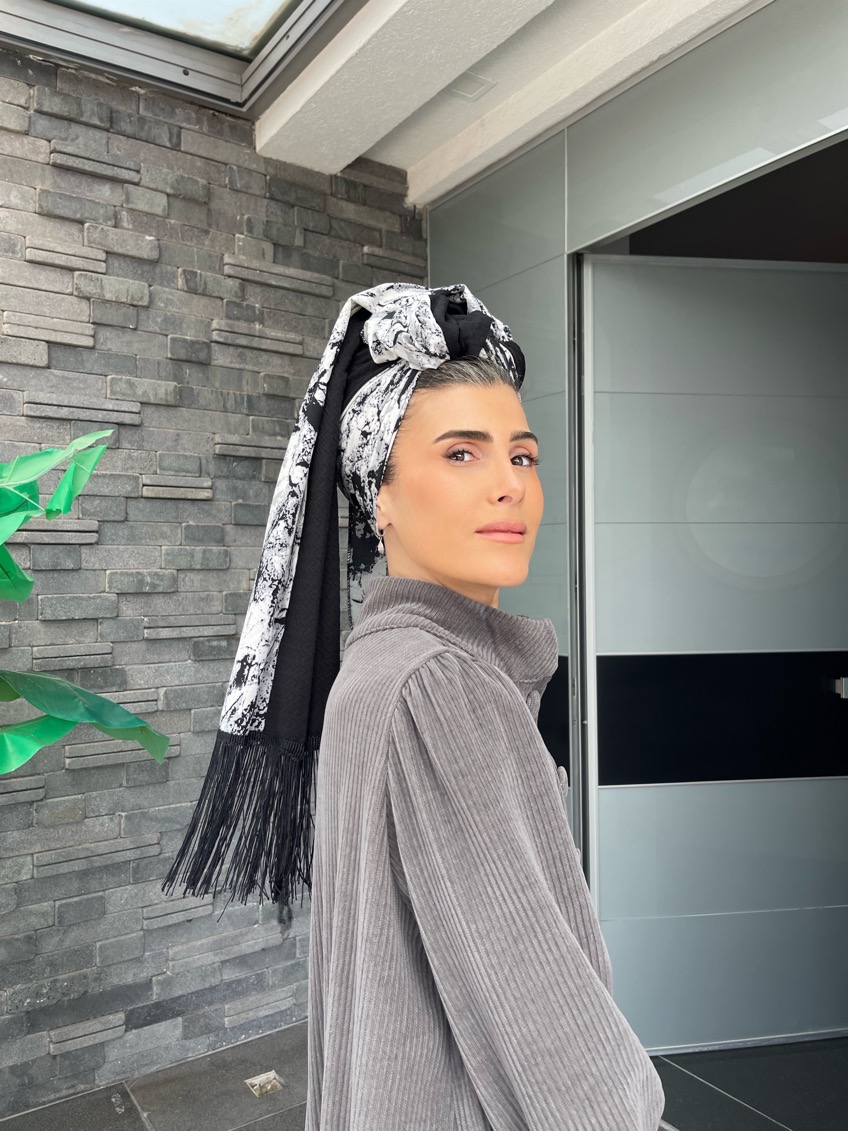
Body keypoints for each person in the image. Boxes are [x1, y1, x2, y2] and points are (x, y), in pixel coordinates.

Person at [162, 282, 666, 1129]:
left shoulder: (374, 666)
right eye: (461, 454)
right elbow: (554, 1040)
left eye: (523, 457)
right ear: (380, 494)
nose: (508, 485)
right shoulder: (442, 685)